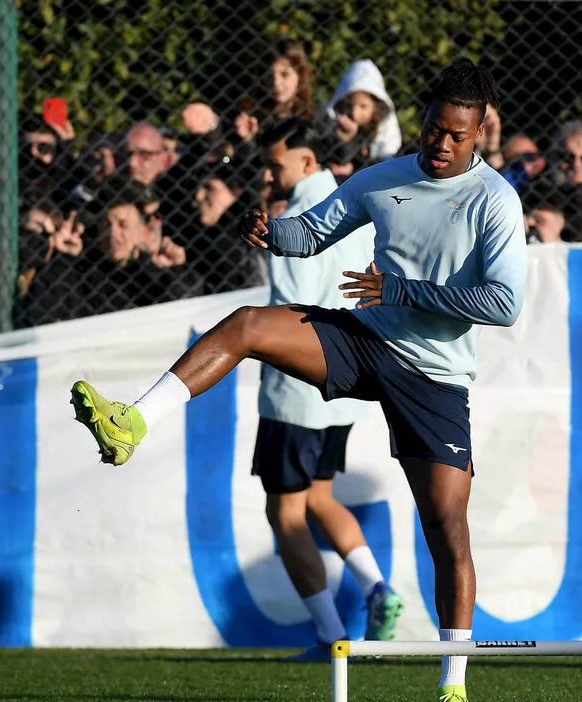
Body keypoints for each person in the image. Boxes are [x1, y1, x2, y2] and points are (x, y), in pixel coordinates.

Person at [70, 58, 525, 702]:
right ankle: (132, 421)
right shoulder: (384, 177)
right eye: (435, 129)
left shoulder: (495, 200)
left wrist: (401, 287)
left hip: (435, 375)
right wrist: (275, 234)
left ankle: (453, 684)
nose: (442, 145)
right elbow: (313, 232)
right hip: (368, 338)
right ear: (421, 121)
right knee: (247, 323)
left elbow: (504, 303)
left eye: (458, 134)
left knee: (447, 527)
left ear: (479, 132)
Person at [254, 117, 402, 661]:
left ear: (308, 162)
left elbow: (285, 309)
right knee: (319, 497)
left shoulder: (294, 219)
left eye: (277, 163)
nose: (270, 173)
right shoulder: (351, 210)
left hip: (295, 387)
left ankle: (330, 635)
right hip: (342, 379)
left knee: (285, 513)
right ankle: (376, 587)